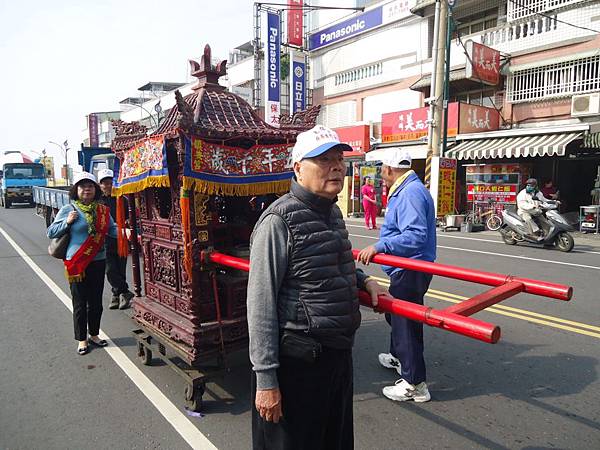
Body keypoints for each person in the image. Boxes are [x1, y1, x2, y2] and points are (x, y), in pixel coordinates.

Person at [247, 125, 388, 450]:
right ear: (298, 168)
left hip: (337, 358)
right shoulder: (278, 221)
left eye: (339, 159)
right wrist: (266, 381)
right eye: (323, 160)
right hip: (298, 364)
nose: (336, 166)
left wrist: (363, 280)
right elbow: (260, 305)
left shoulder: (332, 212)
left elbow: (330, 263)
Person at [356, 147, 436, 403]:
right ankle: (399, 357)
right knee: (398, 315)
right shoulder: (407, 189)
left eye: (382, 171)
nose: (381, 176)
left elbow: (415, 235)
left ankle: (415, 383)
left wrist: (380, 246)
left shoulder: (410, 192)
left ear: (389, 169)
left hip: (411, 267)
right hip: (407, 267)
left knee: (406, 323)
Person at [47, 172, 117, 355]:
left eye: (90, 186)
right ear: (76, 190)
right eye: (82, 186)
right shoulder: (68, 209)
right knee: (80, 302)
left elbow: (113, 229)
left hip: (98, 261)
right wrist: (67, 223)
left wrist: (129, 234)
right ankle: (82, 339)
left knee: (96, 302)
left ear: (95, 190)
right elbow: (51, 232)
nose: (87, 189)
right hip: (76, 262)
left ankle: (94, 334)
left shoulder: (101, 210)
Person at [97, 169, 134, 310]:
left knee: (120, 270)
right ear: (100, 185)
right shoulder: (98, 202)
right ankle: (124, 291)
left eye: (110, 182)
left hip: (120, 240)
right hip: (104, 241)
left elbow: (130, 217)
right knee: (109, 270)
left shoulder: (122, 199)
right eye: (104, 183)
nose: (108, 186)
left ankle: (117, 295)